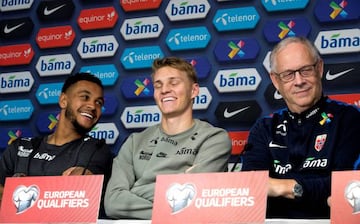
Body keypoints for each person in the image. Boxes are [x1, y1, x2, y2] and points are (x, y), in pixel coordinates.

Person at [241, 36, 360, 218]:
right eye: (288, 74)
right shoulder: (264, 127)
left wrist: (283, 187)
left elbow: (346, 187)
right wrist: (315, 188)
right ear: (275, 81)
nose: (298, 81)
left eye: (305, 70)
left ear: (319, 68)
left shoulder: (350, 118)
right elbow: (252, 187)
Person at [104, 56, 232, 220]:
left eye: (174, 83)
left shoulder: (214, 139)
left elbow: (193, 199)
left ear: (194, 91)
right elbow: (113, 203)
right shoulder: (134, 141)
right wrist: (175, 203)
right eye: (158, 85)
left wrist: (136, 190)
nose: (164, 90)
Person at [0, 72, 113, 217]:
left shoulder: (95, 149)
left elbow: (77, 191)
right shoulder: (20, 146)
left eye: (99, 103)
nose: (92, 105)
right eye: (85, 97)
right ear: (63, 100)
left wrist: (15, 192)